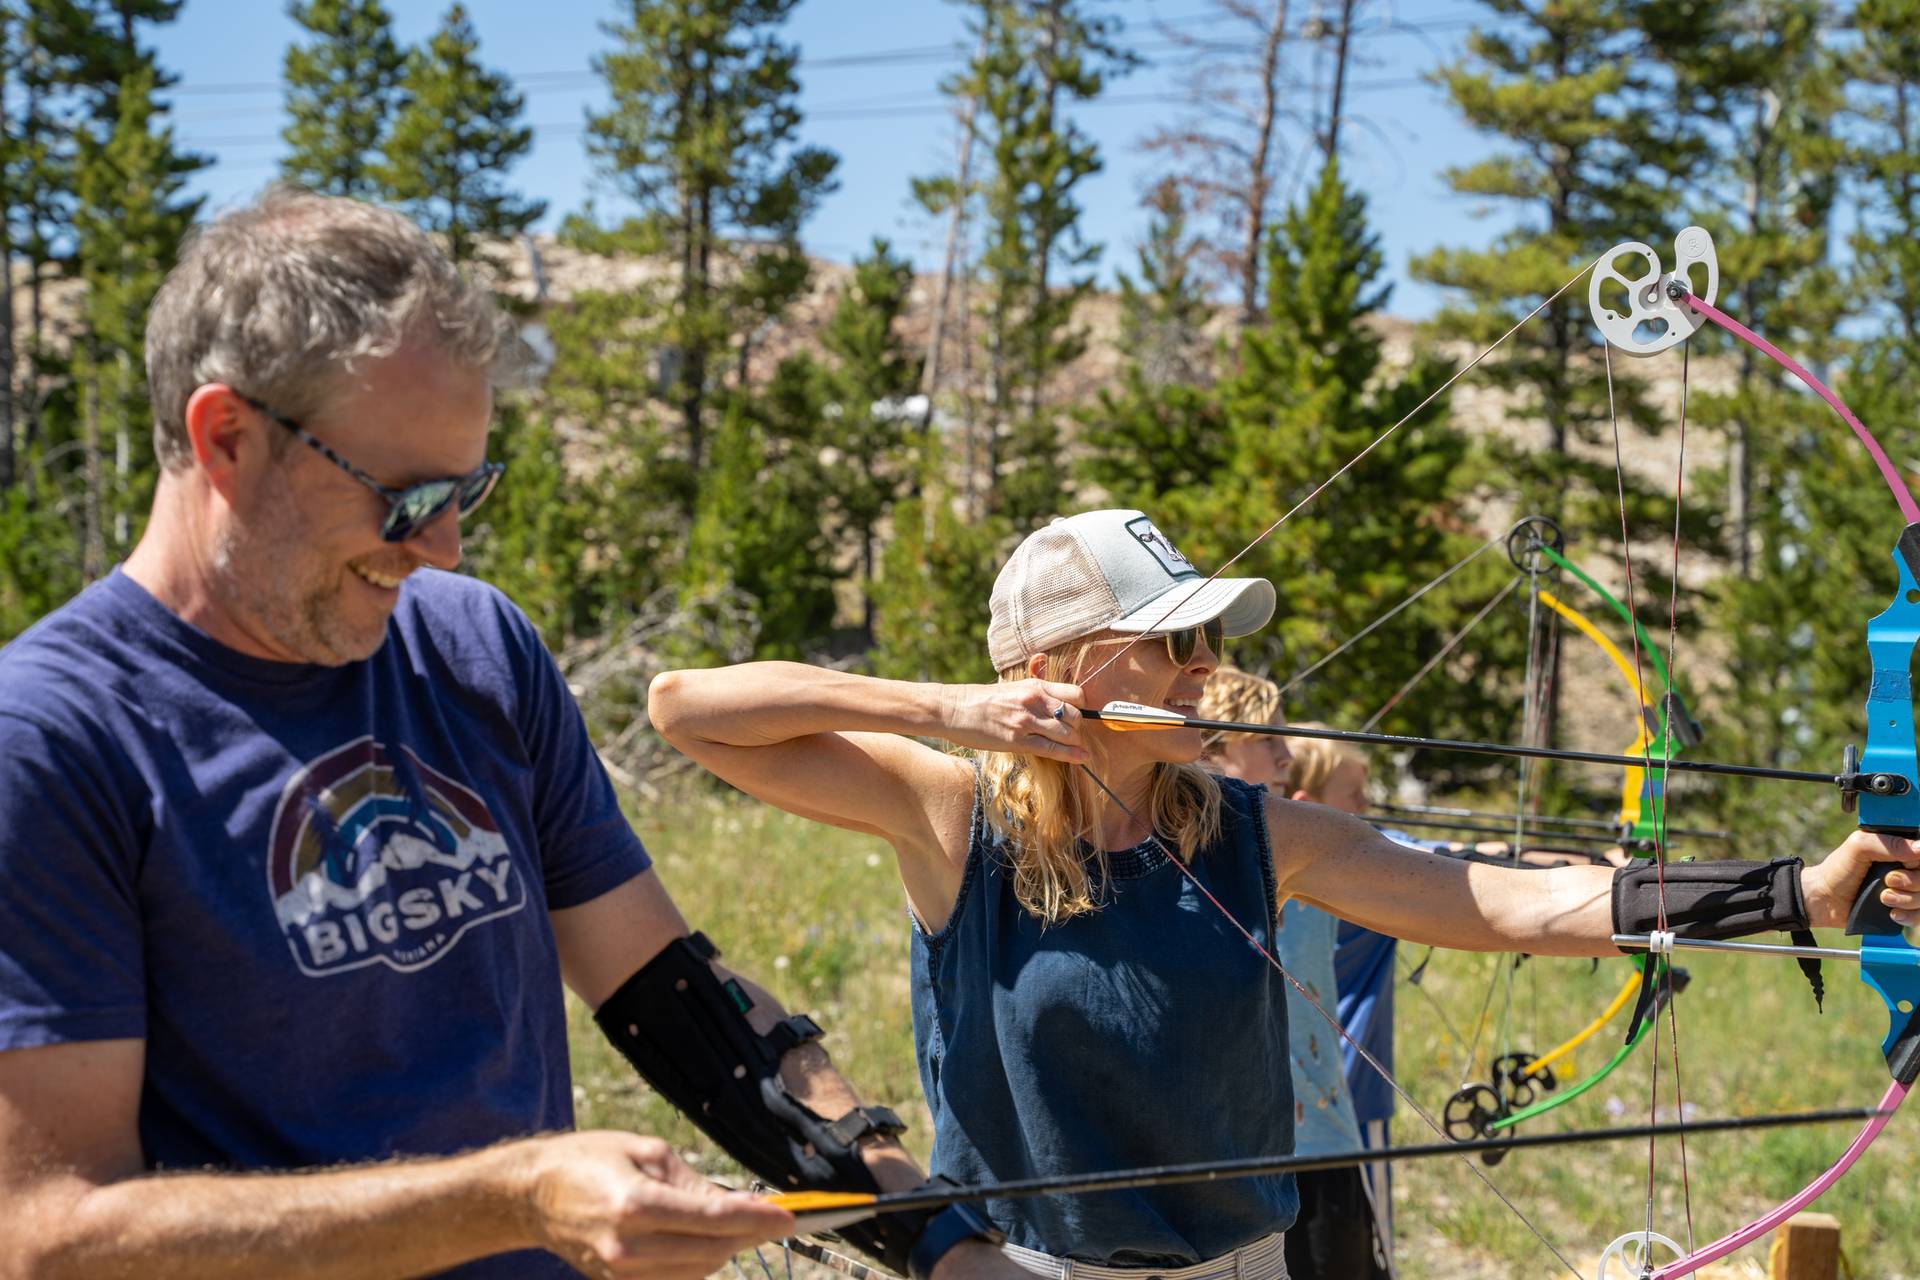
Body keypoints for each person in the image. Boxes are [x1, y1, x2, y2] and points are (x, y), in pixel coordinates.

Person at [0, 189, 998, 1280]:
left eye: (468, 487)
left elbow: (675, 1002)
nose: (446, 550)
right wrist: (507, 1197)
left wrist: (939, 1238)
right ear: (227, 437)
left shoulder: (471, 646)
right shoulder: (53, 738)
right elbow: (49, 1231)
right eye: (407, 495)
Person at [648, 507, 1919, 1278]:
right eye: (1179, 641)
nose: (1211, 669)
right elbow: (688, 710)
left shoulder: (1261, 831)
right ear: (1055, 669)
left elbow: (1505, 902)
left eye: (1216, 640)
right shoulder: (953, 818)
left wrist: (1795, 891)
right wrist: (949, 710)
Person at [1196, 671, 1388, 1280]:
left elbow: (1446, 866)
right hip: (1228, 1157)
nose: (1286, 753)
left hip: (1320, 1141)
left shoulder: (1302, 841)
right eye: (1267, 738)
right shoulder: (1152, 857)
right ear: (1210, 750)